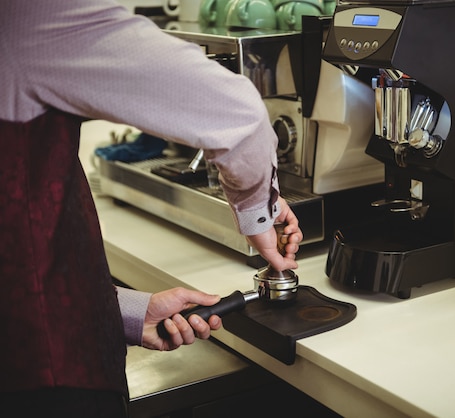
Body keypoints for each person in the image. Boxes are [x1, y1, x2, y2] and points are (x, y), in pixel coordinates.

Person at [0, 0, 303, 416]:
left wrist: (123, 313)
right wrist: (259, 217)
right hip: (43, 383)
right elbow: (240, 118)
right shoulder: (30, 14)